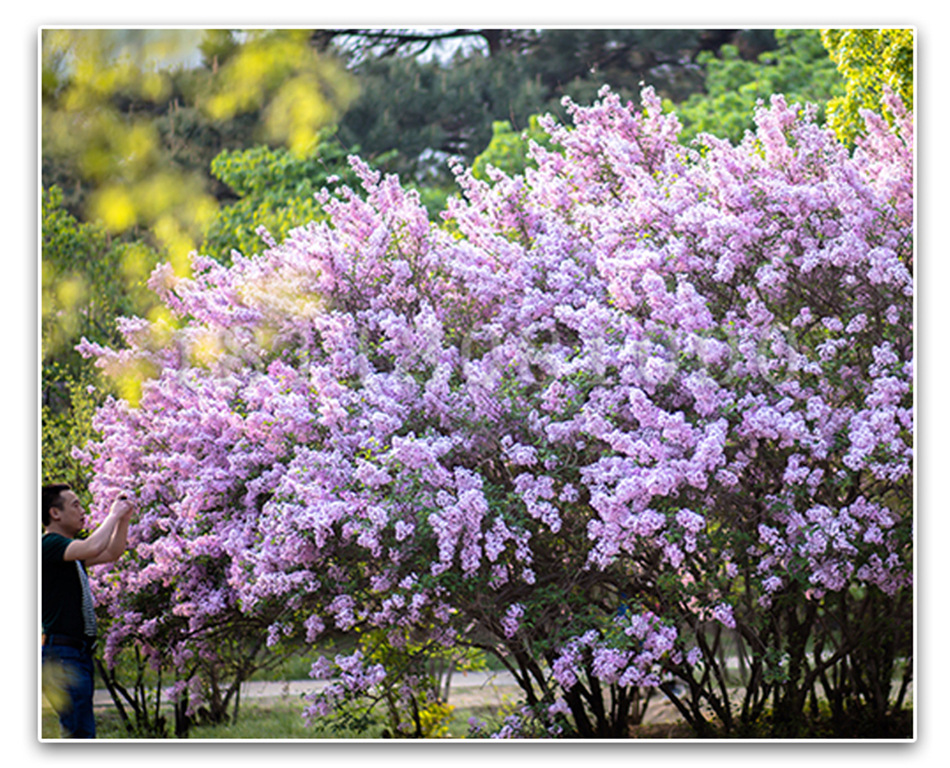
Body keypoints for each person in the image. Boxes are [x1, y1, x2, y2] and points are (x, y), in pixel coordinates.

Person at [41, 484, 134, 738]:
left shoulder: (69, 553)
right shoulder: (49, 545)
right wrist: (113, 514)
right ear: (55, 513)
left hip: (76, 652)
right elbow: (93, 546)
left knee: (80, 731)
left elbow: (113, 551)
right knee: (79, 734)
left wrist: (123, 519)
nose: (83, 511)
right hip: (62, 653)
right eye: (75, 505)